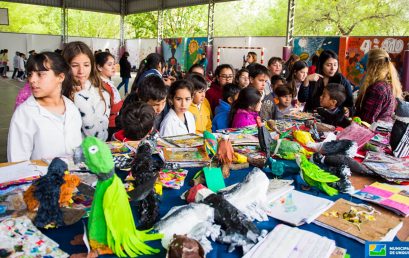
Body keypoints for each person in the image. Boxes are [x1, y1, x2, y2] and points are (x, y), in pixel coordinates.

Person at [7, 52, 82, 162]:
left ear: (60, 77)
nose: (32, 80)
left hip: (74, 177)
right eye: (30, 74)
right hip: (41, 178)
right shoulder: (24, 114)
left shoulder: (71, 108)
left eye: (40, 74)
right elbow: (17, 163)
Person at [62, 41, 110, 141]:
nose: (81, 71)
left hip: (87, 154)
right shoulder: (56, 92)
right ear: (65, 66)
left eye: (86, 65)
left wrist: (82, 99)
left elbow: (100, 137)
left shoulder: (101, 94)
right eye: (75, 65)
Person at [355, 48, 403, 123]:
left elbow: (367, 121)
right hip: (383, 131)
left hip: (372, 132)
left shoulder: (377, 88)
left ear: (371, 65)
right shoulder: (389, 84)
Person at [95, 52, 123, 140]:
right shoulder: (103, 86)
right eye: (109, 65)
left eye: (114, 64)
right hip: (110, 125)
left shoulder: (106, 83)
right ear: (99, 67)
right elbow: (110, 109)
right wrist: (124, 101)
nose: (113, 67)